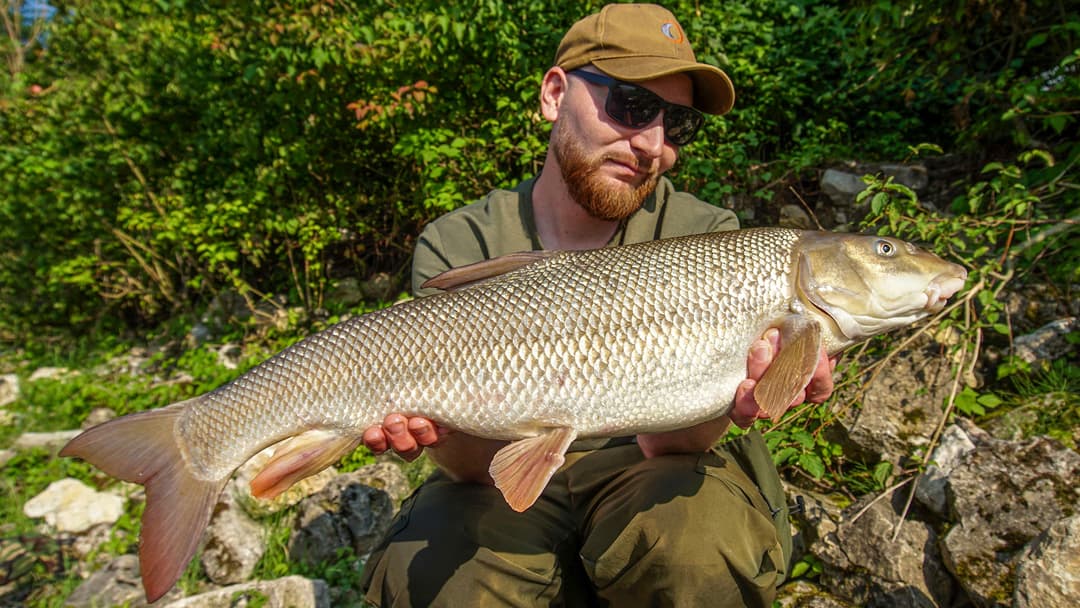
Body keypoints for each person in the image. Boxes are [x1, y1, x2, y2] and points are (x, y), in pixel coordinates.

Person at [358, 4, 835, 606]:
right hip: (497, 476)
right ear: (555, 94)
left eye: (677, 124)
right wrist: (433, 431)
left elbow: (673, 449)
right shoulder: (460, 243)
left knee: (696, 543)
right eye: (631, 106)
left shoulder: (709, 236)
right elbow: (470, 466)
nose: (653, 144)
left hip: (650, 465)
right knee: (430, 573)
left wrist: (743, 400)